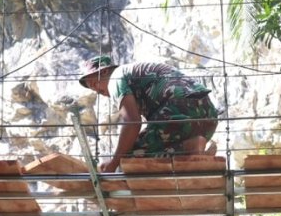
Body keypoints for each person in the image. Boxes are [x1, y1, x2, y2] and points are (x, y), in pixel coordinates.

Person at [78, 55, 218, 173]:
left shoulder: (115, 79)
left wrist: (114, 162)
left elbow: (132, 123)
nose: (98, 91)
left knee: (129, 158)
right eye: (93, 89)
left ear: (104, 72)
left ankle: (188, 147)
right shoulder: (132, 73)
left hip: (176, 108)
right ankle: (193, 147)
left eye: (94, 84)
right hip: (208, 116)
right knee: (160, 148)